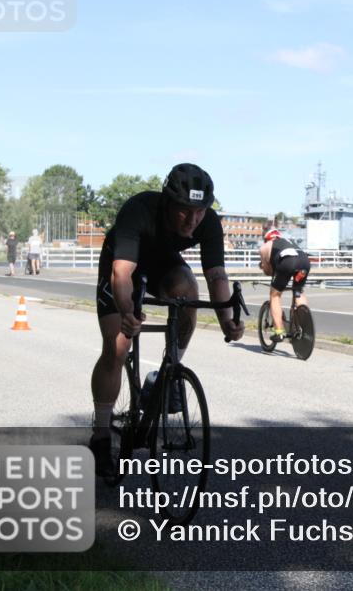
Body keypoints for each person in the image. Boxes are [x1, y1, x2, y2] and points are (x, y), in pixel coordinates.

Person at [88, 163, 245, 475]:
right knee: (117, 347)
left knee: (188, 290)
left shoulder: (208, 222)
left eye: (199, 211)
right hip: (122, 263)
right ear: (167, 202)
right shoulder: (139, 210)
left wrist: (227, 319)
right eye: (184, 210)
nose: (192, 219)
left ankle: (166, 374)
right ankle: (102, 434)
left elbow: (216, 275)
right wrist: (128, 313)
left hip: (162, 263)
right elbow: (122, 273)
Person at [259, 226, 311, 340]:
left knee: (275, 295)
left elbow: (268, 272)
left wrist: (264, 266)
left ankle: (279, 332)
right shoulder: (288, 241)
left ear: (266, 238)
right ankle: (304, 327)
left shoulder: (264, 247)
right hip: (304, 261)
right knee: (298, 292)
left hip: (288, 262)